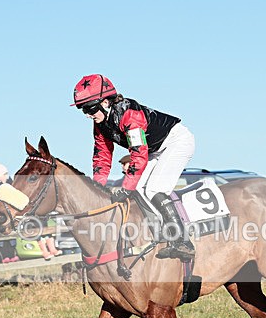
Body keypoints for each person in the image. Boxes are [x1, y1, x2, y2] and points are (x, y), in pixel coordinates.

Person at [72, 74, 195, 260]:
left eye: (90, 108)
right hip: (156, 148)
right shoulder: (100, 124)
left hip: (177, 142)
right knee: (139, 188)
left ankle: (182, 241)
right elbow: (102, 157)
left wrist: (125, 187)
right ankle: (162, 233)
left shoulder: (130, 114)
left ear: (105, 102)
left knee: (154, 188)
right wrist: (98, 187)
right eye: (83, 110)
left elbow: (138, 154)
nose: (88, 115)